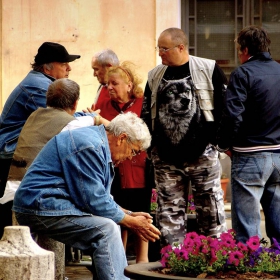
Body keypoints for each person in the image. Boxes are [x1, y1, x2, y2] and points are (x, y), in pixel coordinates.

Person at [12, 112, 161, 280]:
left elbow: (98, 196)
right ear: (122, 138)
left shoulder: (97, 143)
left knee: (111, 224)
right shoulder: (91, 146)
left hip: (50, 202)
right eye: (133, 151)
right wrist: (131, 222)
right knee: (107, 230)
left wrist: (128, 214)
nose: (130, 158)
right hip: (40, 203)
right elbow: (93, 200)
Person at [141, 27, 228, 247]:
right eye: (158, 48)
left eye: (164, 48)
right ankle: (174, 261)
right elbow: (145, 112)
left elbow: (225, 107)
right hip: (166, 159)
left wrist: (216, 142)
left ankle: (215, 260)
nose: (160, 52)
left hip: (202, 157)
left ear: (180, 47)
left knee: (211, 213)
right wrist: (152, 148)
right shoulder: (154, 75)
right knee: (169, 216)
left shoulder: (208, 68)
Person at [0, 78, 107, 237]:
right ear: (75, 104)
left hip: (12, 192)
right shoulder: (71, 125)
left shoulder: (35, 115)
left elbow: (73, 118)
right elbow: (91, 122)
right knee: (95, 211)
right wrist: (98, 118)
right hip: (36, 196)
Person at [0, 42, 80, 234]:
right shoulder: (39, 86)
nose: (69, 68)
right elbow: (61, 117)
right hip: (11, 152)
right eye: (63, 64)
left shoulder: (41, 81)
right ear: (47, 67)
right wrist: (95, 119)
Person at [216, 25, 280, 244]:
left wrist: (223, 144)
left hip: (250, 155)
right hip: (278, 155)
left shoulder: (243, 73)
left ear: (243, 49)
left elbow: (233, 115)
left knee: (247, 234)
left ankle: (249, 270)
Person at [94, 61, 151, 263]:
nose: (109, 87)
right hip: (113, 169)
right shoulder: (102, 107)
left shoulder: (143, 103)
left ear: (129, 85)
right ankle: (119, 260)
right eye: (108, 83)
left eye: (114, 83)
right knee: (116, 212)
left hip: (138, 169)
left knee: (141, 210)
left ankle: (142, 262)